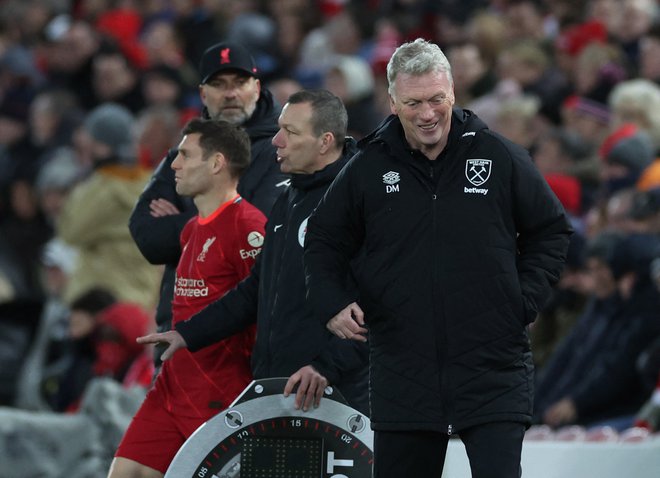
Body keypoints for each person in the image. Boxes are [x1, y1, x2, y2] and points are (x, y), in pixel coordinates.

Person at [303, 39, 572, 478]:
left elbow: (552, 230)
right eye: (413, 103)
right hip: (402, 370)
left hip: (492, 365)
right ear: (392, 101)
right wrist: (332, 300)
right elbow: (323, 239)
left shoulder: (498, 155)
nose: (427, 114)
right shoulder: (368, 166)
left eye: (436, 100)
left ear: (452, 94)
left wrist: (520, 300)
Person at [137, 89, 369, 414]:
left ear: (325, 141)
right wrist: (188, 333)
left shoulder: (358, 204)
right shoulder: (289, 200)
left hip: (334, 398)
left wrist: (325, 368)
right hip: (277, 389)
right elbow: (255, 290)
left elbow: (377, 306)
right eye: (279, 128)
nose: (276, 141)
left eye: (290, 132)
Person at [107, 119, 266, 477]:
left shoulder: (249, 227)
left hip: (217, 393)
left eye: (184, 155)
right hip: (170, 386)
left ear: (216, 163)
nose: (174, 164)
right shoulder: (191, 228)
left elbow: (260, 304)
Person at [128, 41, 285, 367]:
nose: (230, 94)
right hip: (179, 330)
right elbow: (146, 235)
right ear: (202, 94)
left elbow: (260, 235)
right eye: (218, 84)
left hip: (250, 335)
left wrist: (185, 221)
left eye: (238, 83)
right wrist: (216, 220)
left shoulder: (281, 148)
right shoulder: (181, 152)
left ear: (256, 88)